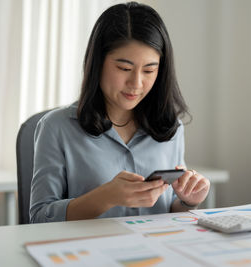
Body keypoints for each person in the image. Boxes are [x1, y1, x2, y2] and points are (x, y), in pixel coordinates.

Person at [30, 1, 210, 223]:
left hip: (155, 253)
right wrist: (105, 197)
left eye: (149, 70)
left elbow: (168, 213)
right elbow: (39, 219)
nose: (136, 83)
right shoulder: (56, 127)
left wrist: (187, 202)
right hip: (88, 254)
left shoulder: (171, 128)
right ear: (98, 63)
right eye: (124, 68)